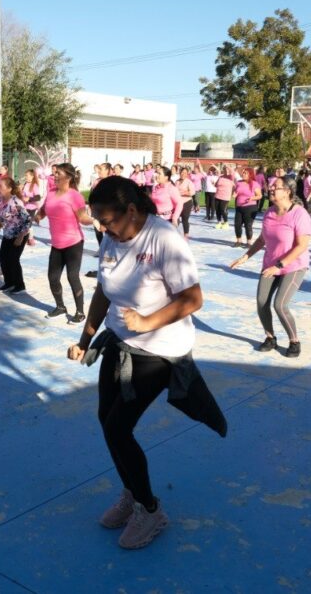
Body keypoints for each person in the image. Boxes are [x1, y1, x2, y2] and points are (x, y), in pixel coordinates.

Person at [67, 176, 225, 550]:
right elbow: (103, 291)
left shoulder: (164, 239)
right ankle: (132, 493)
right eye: (99, 221)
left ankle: (151, 511)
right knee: (106, 421)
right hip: (120, 343)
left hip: (160, 349)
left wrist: (148, 322)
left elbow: (193, 298)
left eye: (107, 220)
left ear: (132, 211)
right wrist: (85, 339)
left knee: (119, 428)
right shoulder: (111, 238)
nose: (102, 229)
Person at [230, 176, 311, 358]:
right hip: (270, 264)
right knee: (261, 302)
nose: (272, 189)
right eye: (272, 186)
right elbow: (261, 239)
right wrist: (245, 256)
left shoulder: (300, 214)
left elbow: (302, 246)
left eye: (277, 187)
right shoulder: (269, 212)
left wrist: (280, 265)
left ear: (288, 191)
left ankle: (294, 341)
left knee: (280, 305)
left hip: (293, 265)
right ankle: (270, 337)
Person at [34, 162, 93, 322]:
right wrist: (39, 215)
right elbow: (45, 209)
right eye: (54, 173)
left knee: (72, 277)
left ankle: (80, 312)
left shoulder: (75, 196)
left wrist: (95, 221)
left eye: (58, 173)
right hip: (57, 244)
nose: (55, 175)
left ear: (68, 177)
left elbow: (82, 218)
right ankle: (60, 307)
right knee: (52, 277)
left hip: (73, 243)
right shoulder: (52, 192)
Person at [0, 175, 32, 293]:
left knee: (13, 259)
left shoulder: (16, 202)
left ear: (9, 188)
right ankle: (9, 283)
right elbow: (1, 215)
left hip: (20, 233)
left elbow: (27, 220)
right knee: (2, 257)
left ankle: (20, 285)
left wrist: (21, 237)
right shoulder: (0, 200)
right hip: (8, 234)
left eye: (1, 186)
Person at [232, 167, 261, 248]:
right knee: (237, 224)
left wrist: (252, 198)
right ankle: (239, 241)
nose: (243, 174)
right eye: (243, 172)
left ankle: (249, 242)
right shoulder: (239, 182)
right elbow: (236, 192)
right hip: (239, 207)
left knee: (248, 225)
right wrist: (234, 194)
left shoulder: (254, 184)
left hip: (250, 207)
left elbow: (259, 196)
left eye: (245, 173)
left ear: (250, 174)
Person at [177, 167, 196, 238]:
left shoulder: (189, 182)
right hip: (178, 203)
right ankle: (174, 231)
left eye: (184, 173)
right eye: (182, 172)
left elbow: (192, 192)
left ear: (187, 174)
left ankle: (186, 234)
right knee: (175, 217)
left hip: (187, 202)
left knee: (185, 219)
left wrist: (183, 192)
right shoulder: (177, 181)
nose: (183, 174)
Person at [213, 165, 234, 229]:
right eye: (225, 170)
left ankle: (226, 222)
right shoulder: (220, 177)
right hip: (217, 195)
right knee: (217, 210)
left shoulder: (230, 177)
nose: (226, 171)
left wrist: (228, 166)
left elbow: (232, 172)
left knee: (223, 209)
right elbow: (216, 185)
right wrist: (214, 184)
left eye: (227, 170)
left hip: (225, 196)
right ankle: (219, 222)